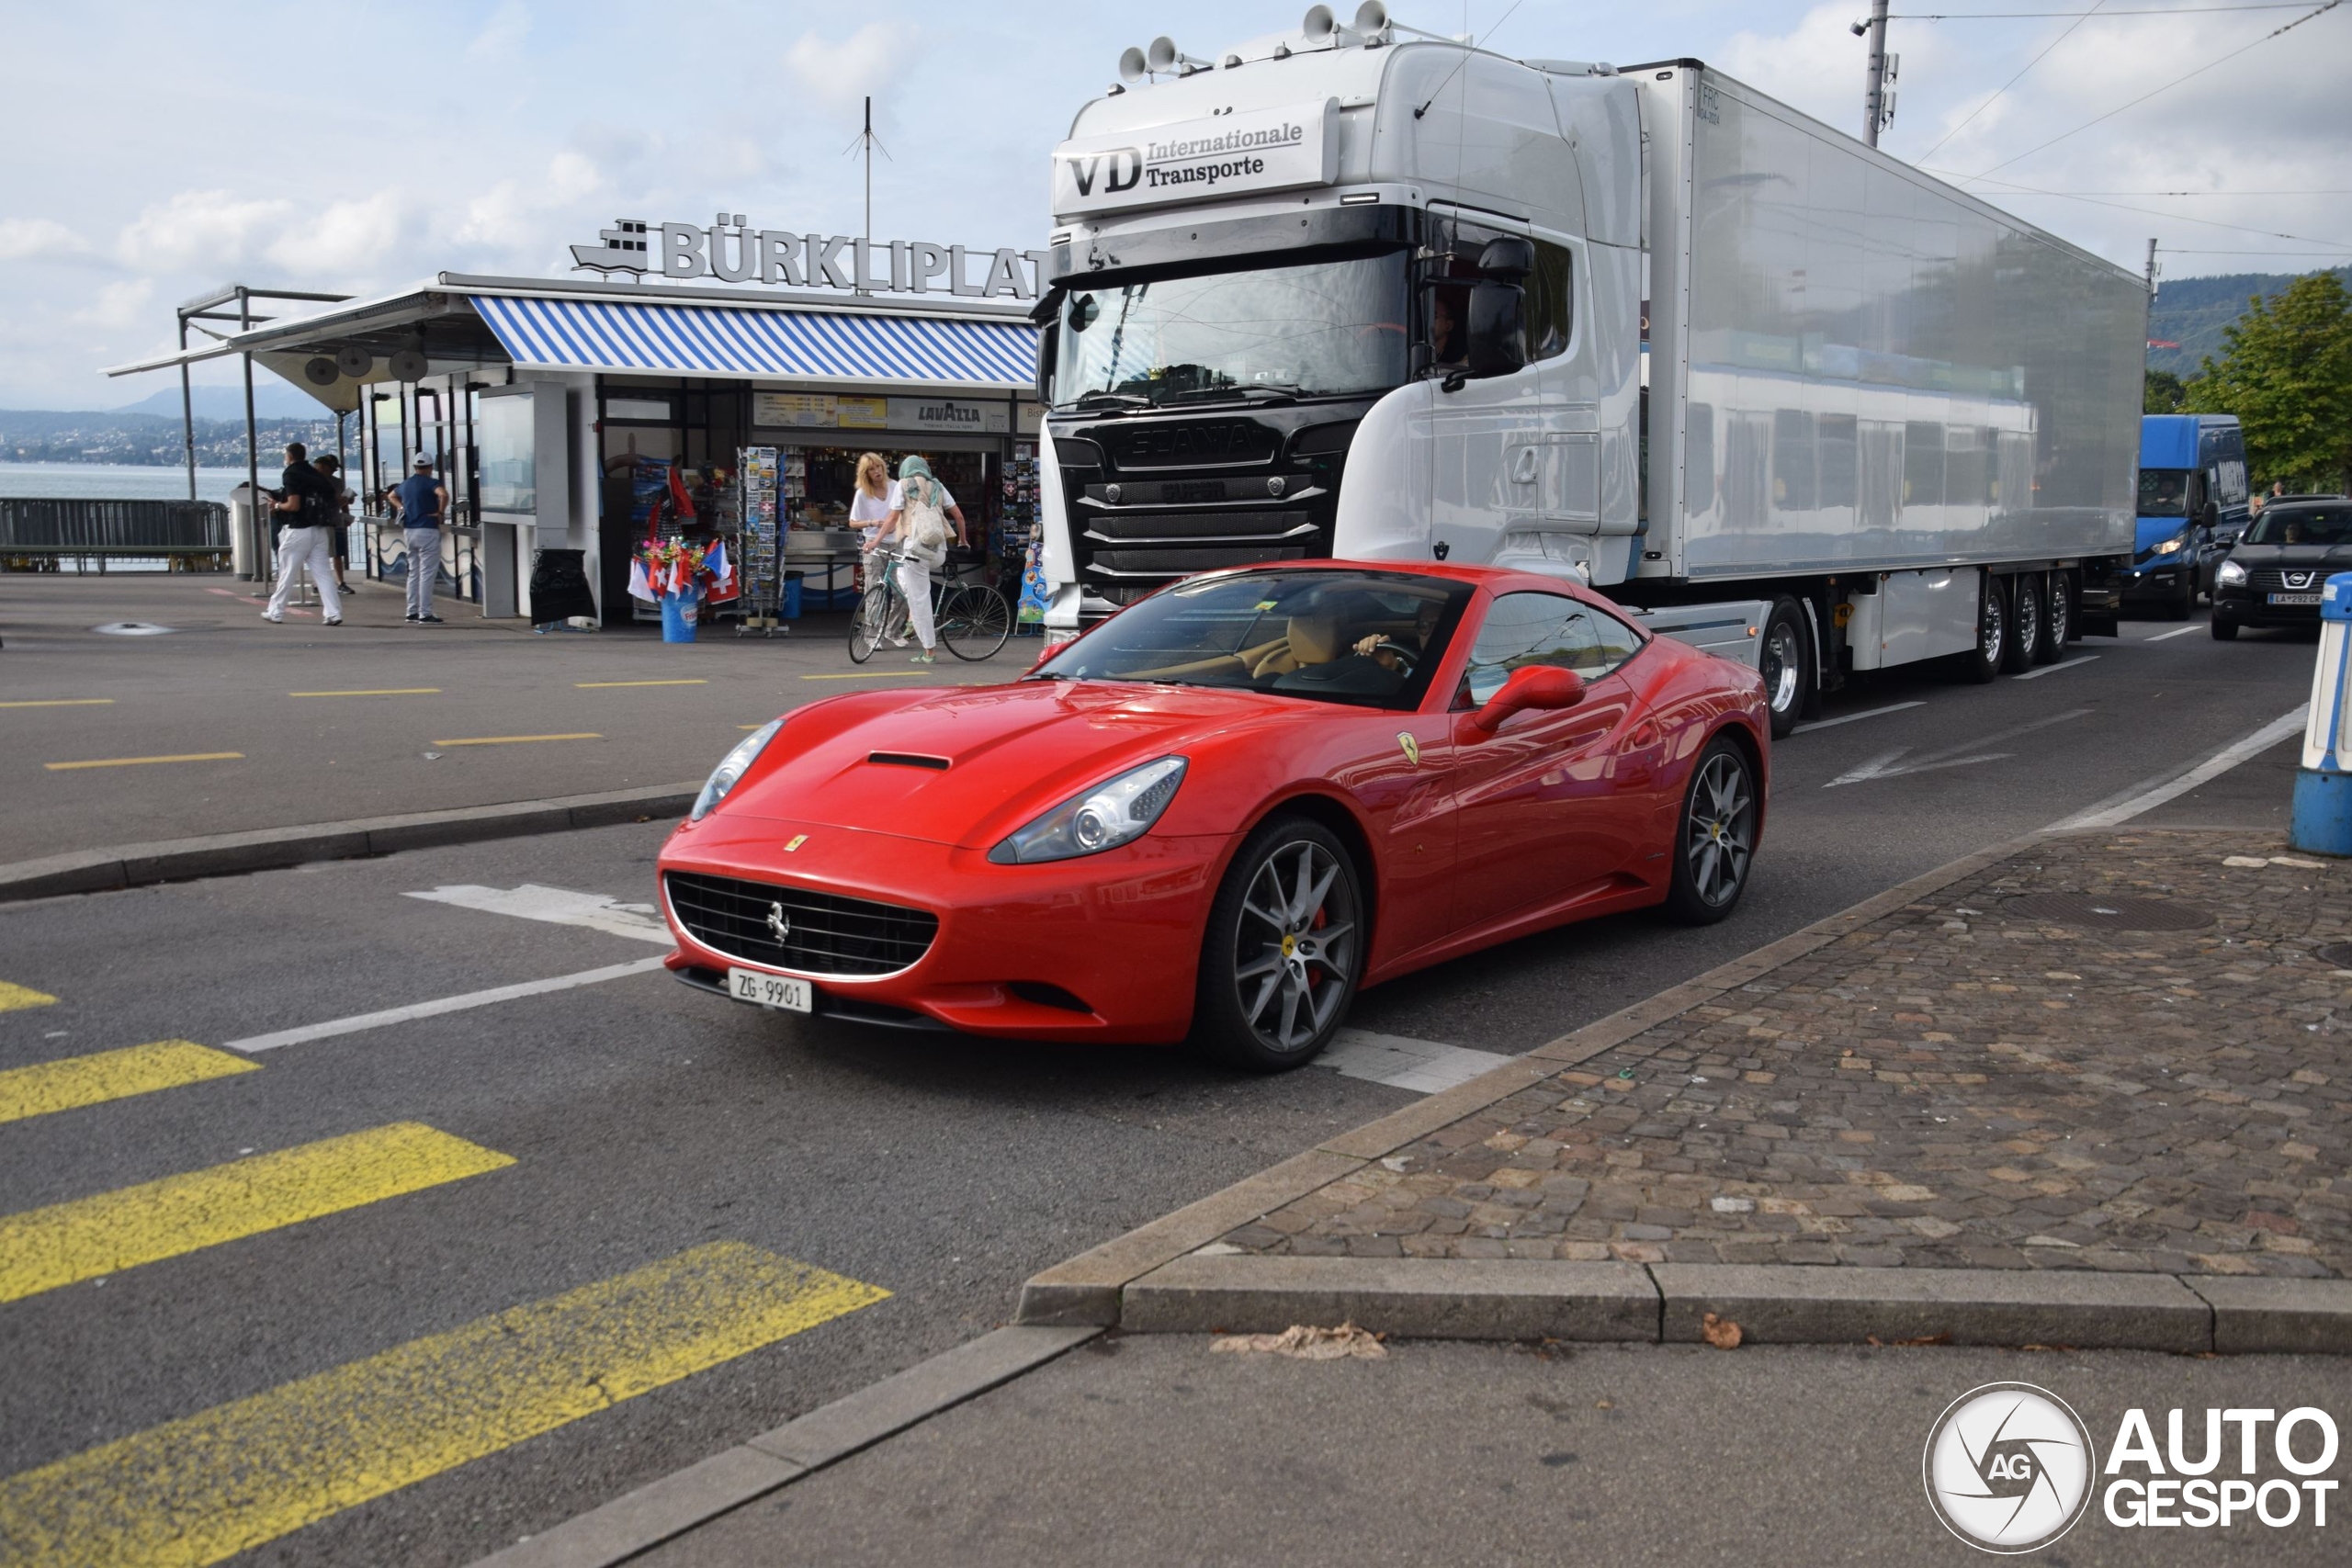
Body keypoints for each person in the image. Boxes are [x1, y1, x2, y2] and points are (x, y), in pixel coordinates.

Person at [881, 455, 968, 664]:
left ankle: (928, 649)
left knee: (919, 599)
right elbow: (959, 516)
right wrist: (963, 540)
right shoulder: (937, 485)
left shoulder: (903, 485)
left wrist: (875, 541)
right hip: (938, 551)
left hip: (917, 549)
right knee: (910, 581)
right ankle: (916, 617)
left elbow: (893, 518)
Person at [262, 441, 342, 625]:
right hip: (320, 529)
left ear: (289, 456)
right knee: (323, 574)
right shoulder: (314, 473)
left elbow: (294, 505)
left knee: (287, 571)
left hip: (299, 530)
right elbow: (332, 495)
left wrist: (276, 505)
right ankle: (333, 613)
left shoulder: (291, 473)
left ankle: (276, 611)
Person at [386, 453, 449, 624]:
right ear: (430, 466)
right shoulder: (431, 483)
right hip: (427, 529)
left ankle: (411, 611)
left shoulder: (406, 484)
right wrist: (441, 513)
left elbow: (391, 495)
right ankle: (425, 613)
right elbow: (443, 494)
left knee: (413, 572)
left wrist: (401, 508)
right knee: (427, 573)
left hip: (409, 531)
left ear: (415, 467)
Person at [847, 452, 903, 641]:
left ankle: (892, 630)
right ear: (866, 473)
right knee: (874, 591)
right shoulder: (863, 493)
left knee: (902, 592)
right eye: (871, 469)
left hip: (896, 544)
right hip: (873, 545)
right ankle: (872, 635)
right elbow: (853, 522)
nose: (877, 471)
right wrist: (872, 522)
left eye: (879, 467)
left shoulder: (896, 486)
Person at [312, 454, 355, 594]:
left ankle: (340, 582)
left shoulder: (338, 482)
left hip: (336, 520)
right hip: (320, 521)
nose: (334, 470)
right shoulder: (314, 481)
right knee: (320, 554)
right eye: (333, 468)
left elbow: (342, 501)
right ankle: (318, 583)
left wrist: (346, 515)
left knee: (338, 552)